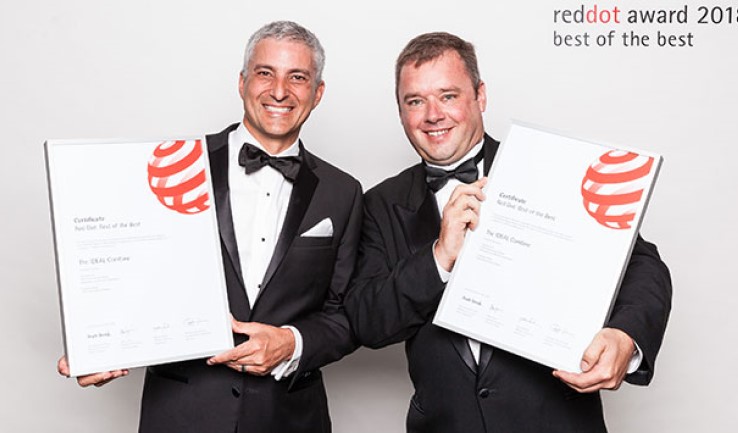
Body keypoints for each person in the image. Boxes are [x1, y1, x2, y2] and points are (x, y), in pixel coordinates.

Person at [344, 31, 671, 433]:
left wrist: (625, 337)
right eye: (415, 101)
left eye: (448, 96)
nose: (433, 114)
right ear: (400, 112)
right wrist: (440, 256)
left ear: (480, 96)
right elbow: (366, 320)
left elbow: (643, 265)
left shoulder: (549, 167)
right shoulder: (380, 204)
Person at [58, 20, 363, 433]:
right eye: (265, 73)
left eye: (297, 77)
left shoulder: (343, 192)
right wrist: (97, 343)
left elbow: (345, 315)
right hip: (183, 413)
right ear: (242, 82)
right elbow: (132, 269)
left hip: (289, 417)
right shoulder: (174, 167)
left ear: (318, 92)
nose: (279, 91)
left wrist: (292, 342)